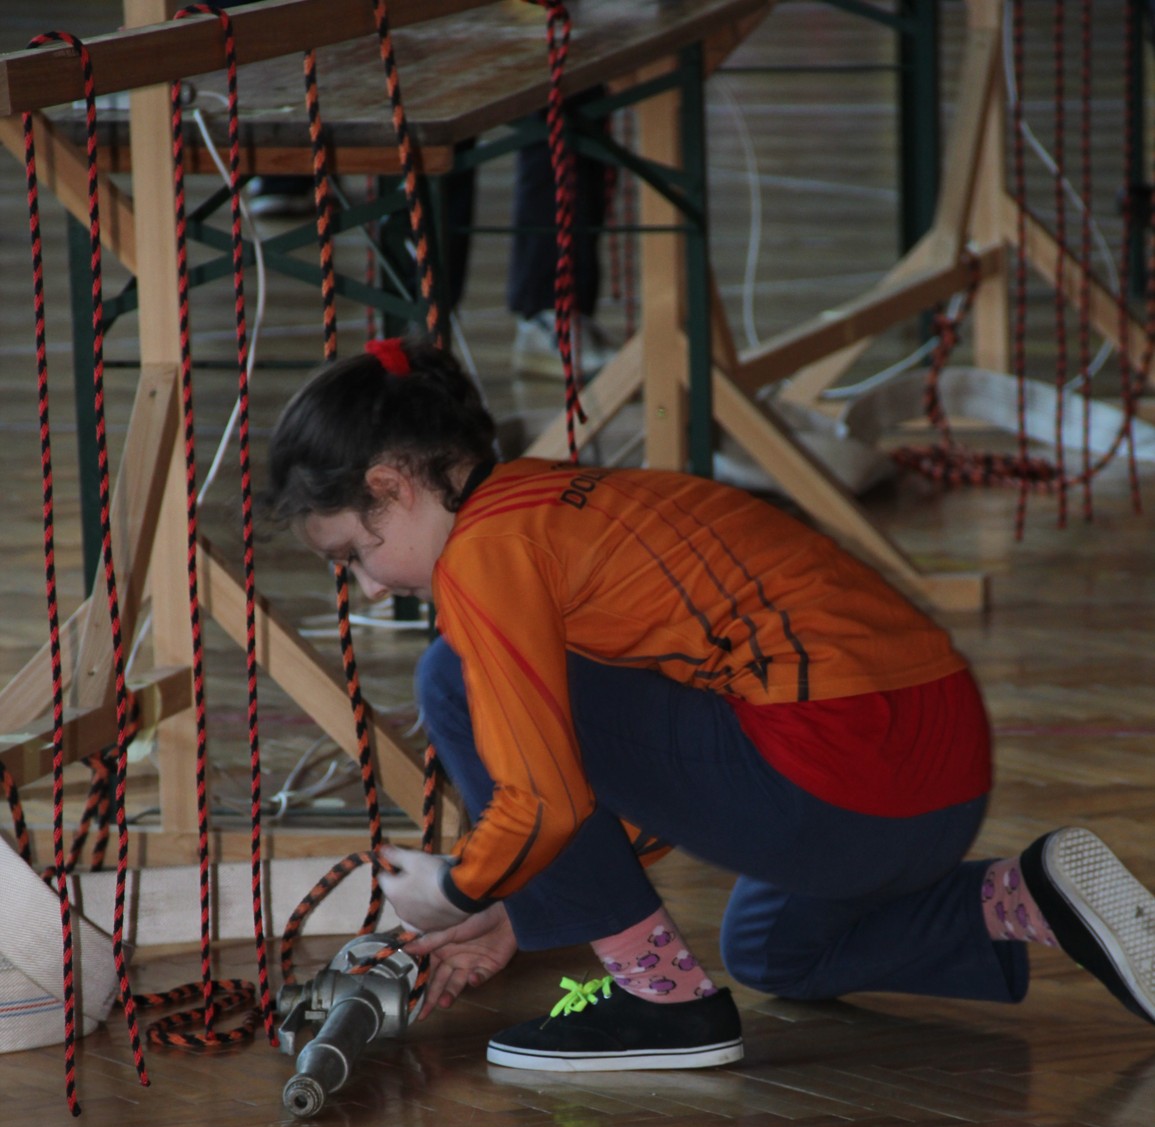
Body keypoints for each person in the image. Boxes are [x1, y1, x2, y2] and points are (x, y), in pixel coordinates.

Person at [263, 335, 1155, 1071]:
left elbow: (547, 797)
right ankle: (1025, 896)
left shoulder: (485, 558)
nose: (368, 588)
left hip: (842, 774)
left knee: (447, 678)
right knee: (773, 950)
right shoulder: (553, 501)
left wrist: (461, 889)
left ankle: (661, 1003)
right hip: (931, 772)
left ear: (392, 487)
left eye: (353, 556)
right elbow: (658, 767)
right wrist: (522, 902)